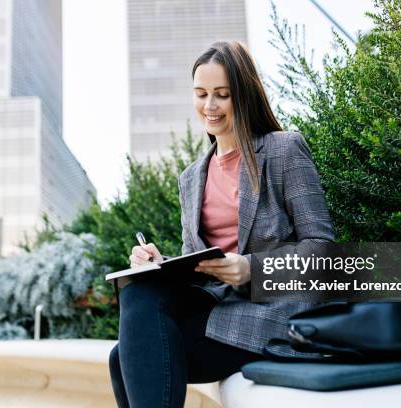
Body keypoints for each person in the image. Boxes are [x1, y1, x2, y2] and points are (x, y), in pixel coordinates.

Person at [109, 40, 335, 407]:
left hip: (276, 314)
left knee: (126, 356)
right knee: (134, 307)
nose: (209, 106)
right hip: (220, 309)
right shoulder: (191, 177)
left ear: (243, 96)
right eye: (201, 94)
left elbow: (322, 249)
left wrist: (250, 269)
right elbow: (195, 266)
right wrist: (160, 265)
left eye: (221, 95)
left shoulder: (283, 150)